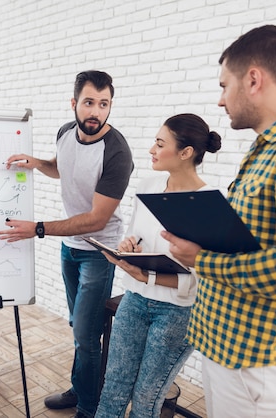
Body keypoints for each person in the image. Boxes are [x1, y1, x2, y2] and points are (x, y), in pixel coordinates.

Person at [161, 25, 276, 417]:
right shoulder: (269, 147)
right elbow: (255, 240)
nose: (221, 101)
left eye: (225, 86)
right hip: (233, 349)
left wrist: (201, 259)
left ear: (253, 79)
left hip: (259, 360)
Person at [0, 70, 134, 418]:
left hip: (98, 252)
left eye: (104, 105)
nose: (96, 112)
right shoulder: (65, 133)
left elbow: (97, 219)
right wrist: (38, 163)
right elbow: (63, 168)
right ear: (74, 103)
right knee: (79, 327)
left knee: (88, 337)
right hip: (69, 248)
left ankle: (89, 408)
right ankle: (81, 388)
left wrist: (38, 228)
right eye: (89, 102)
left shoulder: (117, 152)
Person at [94, 114, 221, 418]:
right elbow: (136, 235)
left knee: (146, 400)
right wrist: (127, 247)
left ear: (185, 153)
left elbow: (203, 278)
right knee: (113, 388)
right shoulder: (148, 184)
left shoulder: (211, 203)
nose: (151, 149)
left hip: (176, 313)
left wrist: (146, 275)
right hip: (134, 300)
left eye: (160, 143)